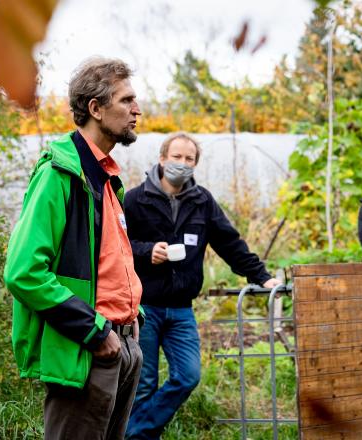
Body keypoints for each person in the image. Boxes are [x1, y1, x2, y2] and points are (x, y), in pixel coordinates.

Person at [4, 57, 144, 439]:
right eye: (126, 100)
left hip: (123, 346)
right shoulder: (58, 175)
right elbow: (23, 272)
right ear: (96, 109)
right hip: (87, 351)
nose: (137, 109)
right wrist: (96, 333)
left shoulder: (106, 178)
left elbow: (111, 267)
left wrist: (133, 321)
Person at [124, 132, 280, 439]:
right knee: (144, 383)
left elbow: (230, 243)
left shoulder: (202, 201)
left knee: (188, 375)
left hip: (181, 309)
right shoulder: (135, 199)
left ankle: (132, 433)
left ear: (196, 164)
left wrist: (262, 276)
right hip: (146, 307)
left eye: (189, 159)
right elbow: (116, 245)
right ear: (162, 158)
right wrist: (146, 251)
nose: (182, 164)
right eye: (176, 157)